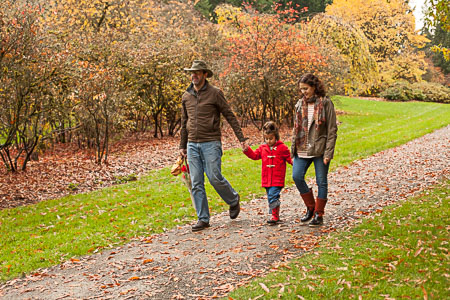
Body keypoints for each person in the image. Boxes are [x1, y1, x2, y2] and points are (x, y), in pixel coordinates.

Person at [180, 60, 248, 232]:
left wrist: (241, 138)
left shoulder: (215, 93)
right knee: (196, 182)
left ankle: (233, 200)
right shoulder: (186, 96)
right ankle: (203, 218)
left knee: (214, 177)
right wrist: (182, 146)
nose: (193, 75)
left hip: (211, 142)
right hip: (192, 145)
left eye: (197, 72)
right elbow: (183, 122)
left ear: (204, 74)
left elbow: (229, 115)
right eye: (191, 72)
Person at [291, 73, 338, 227]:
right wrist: (293, 150)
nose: (303, 92)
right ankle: (311, 207)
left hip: (319, 149)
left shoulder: (325, 103)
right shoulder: (299, 104)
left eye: (305, 88)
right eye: (301, 89)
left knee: (321, 181)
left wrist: (328, 153)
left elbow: (332, 129)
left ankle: (319, 213)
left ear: (313, 86)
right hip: (302, 148)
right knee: (297, 176)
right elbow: (295, 129)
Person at [242, 121, 292, 225]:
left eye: (271, 138)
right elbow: (255, 155)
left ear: (276, 137)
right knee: (271, 196)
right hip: (266, 178)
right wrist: (247, 150)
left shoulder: (282, 148)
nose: (268, 141)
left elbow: (290, 159)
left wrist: (298, 165)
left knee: (273, 195)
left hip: (277, 178)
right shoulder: (262, 148)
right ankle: (276, 215)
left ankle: (274, 216)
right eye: (266, 139)